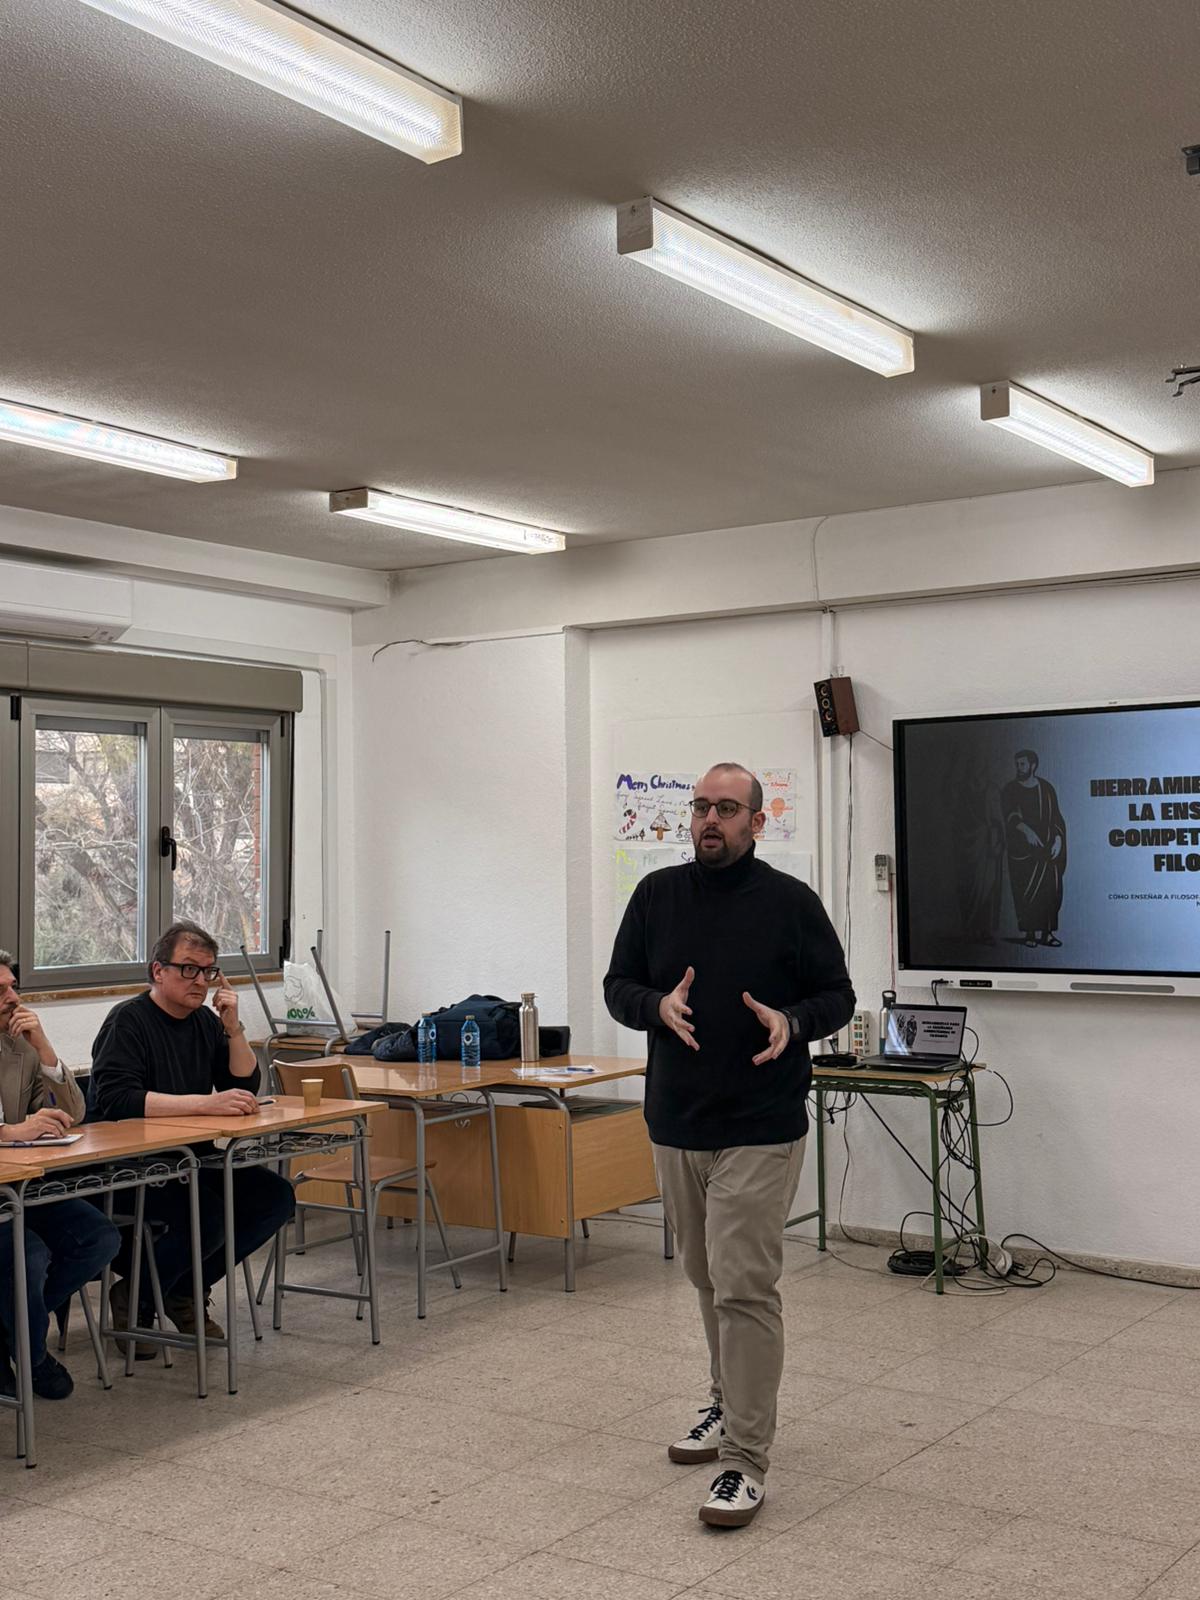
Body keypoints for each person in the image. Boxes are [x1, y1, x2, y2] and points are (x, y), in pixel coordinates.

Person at [604, 763, 854, 1527]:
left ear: (756, 822)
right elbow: (618, 986)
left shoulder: (790, 903)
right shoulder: (656, 895)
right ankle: (726, 1402)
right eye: (701, 807)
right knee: (706, 1276)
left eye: (726, 808)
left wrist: (793, 1021)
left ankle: (745, 1458)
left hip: (761, 1122)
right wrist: (656, 1006)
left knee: (744, 1285)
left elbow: (837, 996)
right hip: (678, 1121)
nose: (710, 819)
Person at [90, 920, 294, 1349]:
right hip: (133, 1164)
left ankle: (179, 1289)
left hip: (192, 1157)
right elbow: (117, 1100)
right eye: (188, 969)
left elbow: (243, 1083)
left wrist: (233, 1027)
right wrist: (204, 1104)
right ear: (157, 970)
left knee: (274, 1197)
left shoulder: (204, 1021)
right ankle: (140, 1297)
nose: (200, 980)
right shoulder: (128, 1021)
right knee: (208, 1216)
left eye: (208, 971)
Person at [0, 952, 121, 1399]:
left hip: (19, 1188)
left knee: (98, 1236)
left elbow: (73, 1114)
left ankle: (10, 1336)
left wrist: (45, 1049)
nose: (13, 998)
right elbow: (16, 1130)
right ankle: (33, 1356)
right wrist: (9, 1132)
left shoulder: (17, 1048)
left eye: (13, 987)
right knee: (29, 1254)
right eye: (0, 991)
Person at [1002, 749, 1067, 948]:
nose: (1019, 768)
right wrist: (1025, 830)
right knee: (1026, 890)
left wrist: (1058, 840)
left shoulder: (1046, 788)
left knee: (1050, 891)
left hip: (1046, 849)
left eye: (1022, 764)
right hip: (1024, 851)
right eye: (1017, 764)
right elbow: (1009, 815)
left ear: (1033, 765)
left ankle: (1047, 933)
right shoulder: (1010, 789)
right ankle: (1030, 933)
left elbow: (1056, 818)